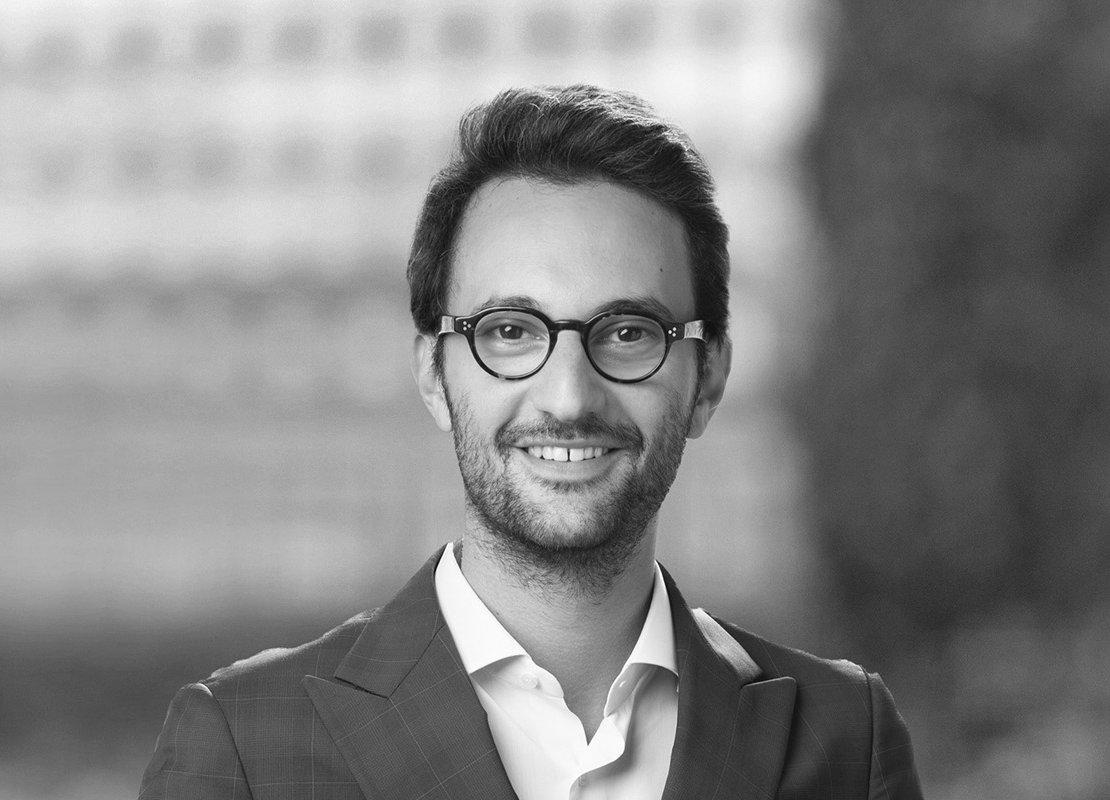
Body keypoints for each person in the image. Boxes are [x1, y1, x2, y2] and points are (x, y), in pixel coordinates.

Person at [139, 84, 923, 800]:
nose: (568, 396)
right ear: (433, 373)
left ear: (709, 376)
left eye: (628, 332)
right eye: (511, 331)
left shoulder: (845, 739)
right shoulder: (244, 748)